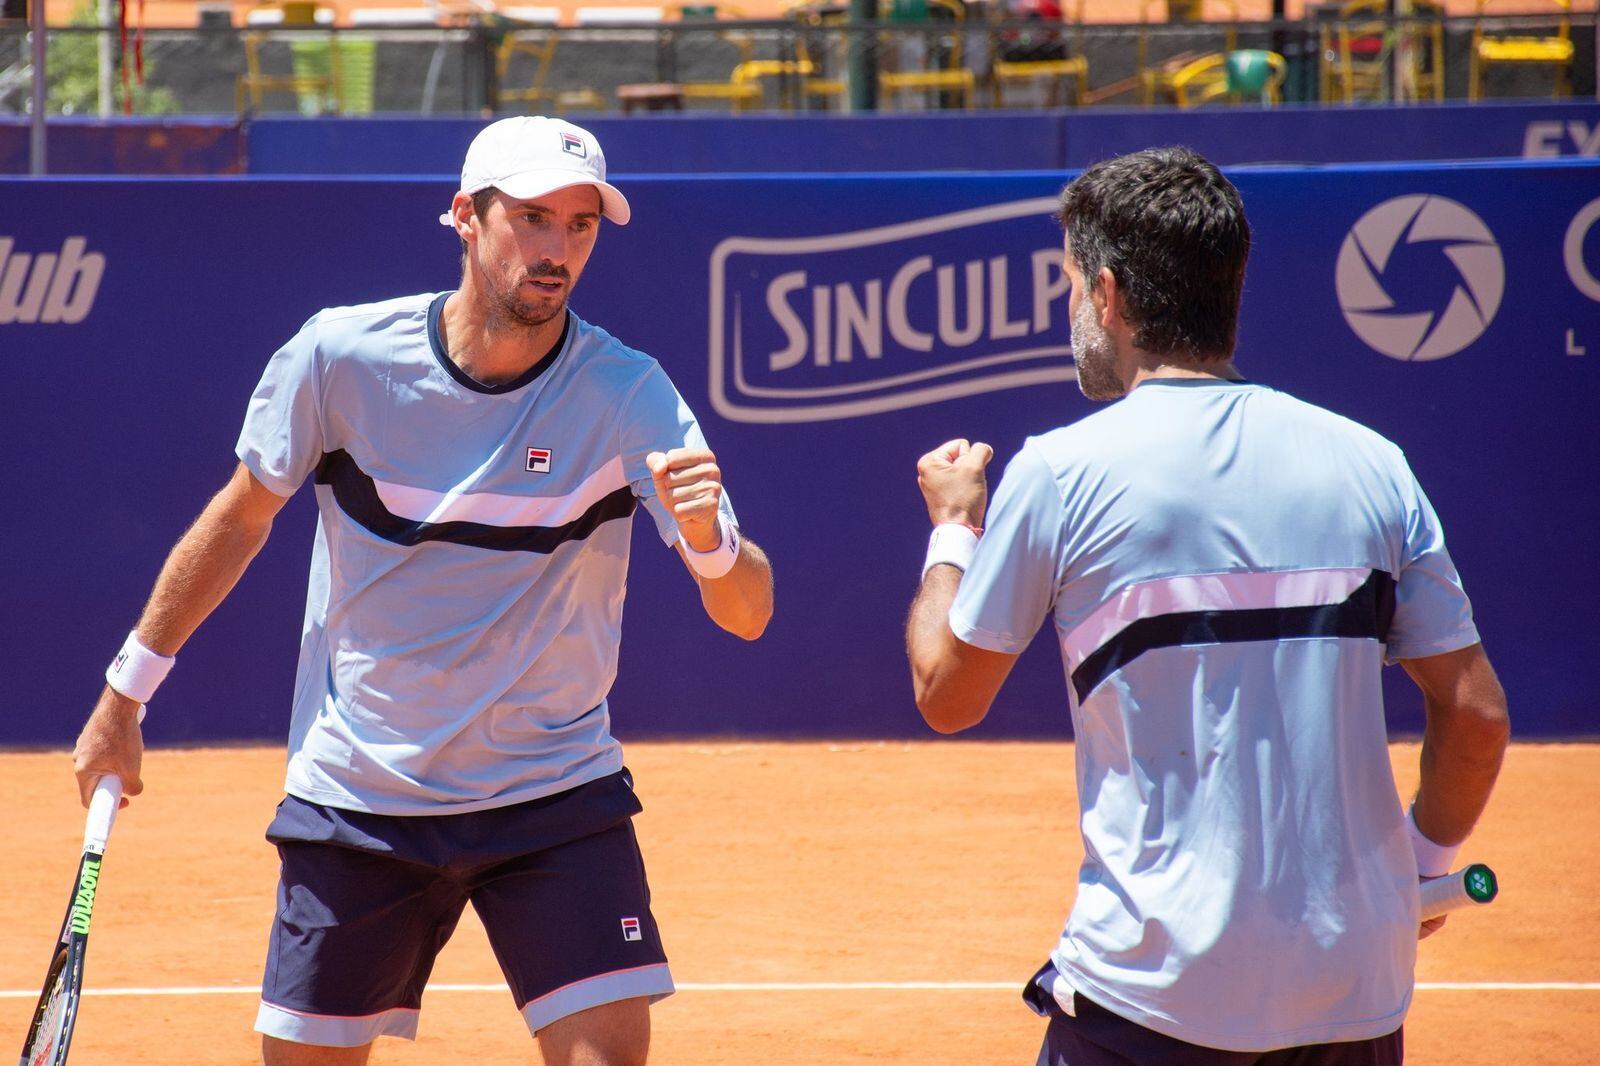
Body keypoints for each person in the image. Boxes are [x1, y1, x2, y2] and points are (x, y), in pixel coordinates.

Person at [71, 116, 774, 1066]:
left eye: (579, 224)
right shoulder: (340, 359)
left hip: (552, 793)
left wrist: (712, 546)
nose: (557, 248)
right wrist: (124, 695)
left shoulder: (628, 395)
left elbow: (747, 613)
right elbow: (239, 520)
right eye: (531, 217)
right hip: (360, 795)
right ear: (463, 218)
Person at [904, 147, 1508, 1064]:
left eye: (1071, 287)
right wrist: (1421, 867)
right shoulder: (1371, 462)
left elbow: (947, 692)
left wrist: (953, 528)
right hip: (1355, 996)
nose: (1072, 309)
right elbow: (1475, 713)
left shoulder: (1061, 473)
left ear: (1108, 295)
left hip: (1148, 998)